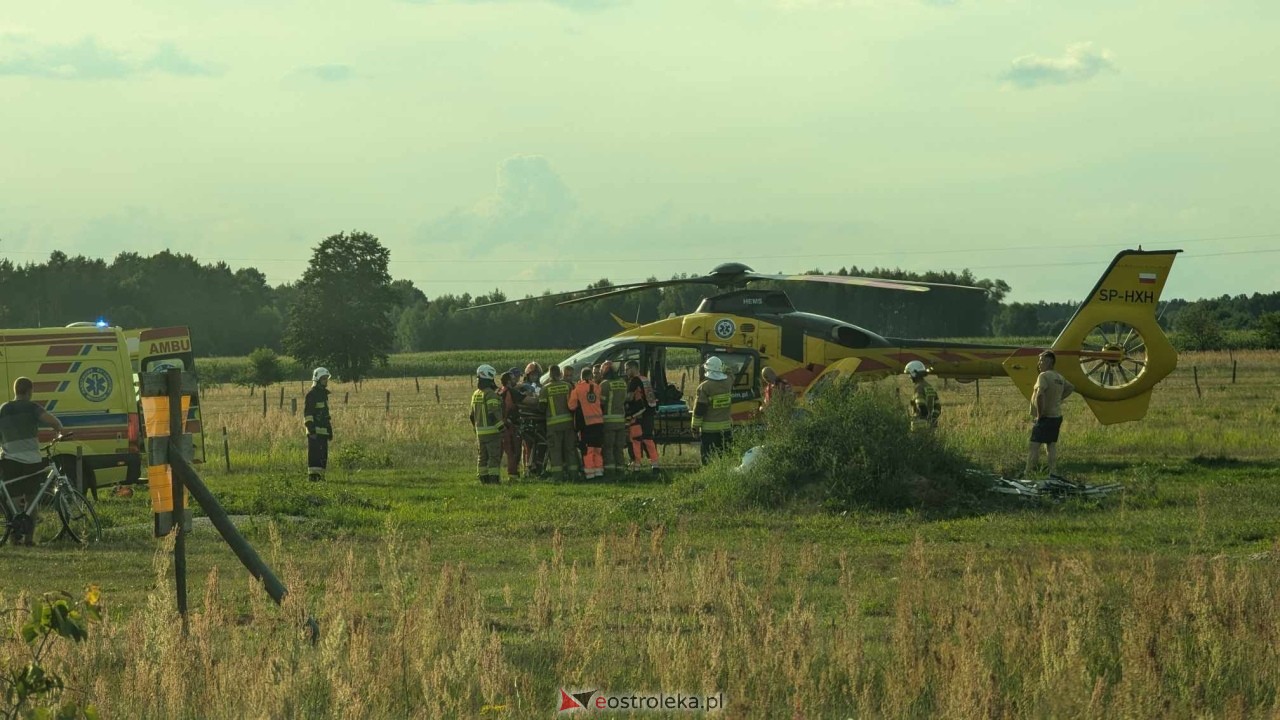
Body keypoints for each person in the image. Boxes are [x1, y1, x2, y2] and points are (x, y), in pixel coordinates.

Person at [0, 377, 66, 546]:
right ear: (30, 391)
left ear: (15, 391)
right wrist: (59, 432)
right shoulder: (33, 408)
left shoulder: (4, 409)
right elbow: (55, 422)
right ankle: (29, 539)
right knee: (32, 500)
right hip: (32, 461)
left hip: (10, 460)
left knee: (13, 500)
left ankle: (15, 538)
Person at [1025, 350, 1075, 479]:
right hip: (1056, 416)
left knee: (1034, 445)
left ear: (1049, 361)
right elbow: (1070, 387)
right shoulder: (1059, 377)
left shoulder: (1043, 376)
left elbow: (1040, 395)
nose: (1039, 363)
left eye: (1041, 360)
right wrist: (1058, 399)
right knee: (1051, 445)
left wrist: (1039, 416)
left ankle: (1028, 472)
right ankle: (1053, 472)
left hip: (1045, 416)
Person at [692, 356, 734, 465]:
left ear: (707, 370)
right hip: (726, 429)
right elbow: (730, 372)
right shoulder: (728, 382)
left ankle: (709, 478)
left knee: (708, 458)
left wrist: (695, 428)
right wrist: (723, 366)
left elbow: (699, 411)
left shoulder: (704, 387)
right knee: (726, 458)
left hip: (709, 431)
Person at [469, 364, 505, 484]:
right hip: (492, 432)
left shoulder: (476, 394)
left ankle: (483, 480)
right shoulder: (490, 394)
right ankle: (494, 480)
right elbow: (493, 412)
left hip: (480, 433)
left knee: (482, 457)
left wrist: (476, 428)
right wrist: (501, 427)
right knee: (494, 458)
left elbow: (471, 415)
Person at [541, 365, 577, 481]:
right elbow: (572, 404)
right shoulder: (567, 386)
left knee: (555, 451)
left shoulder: (545, 389)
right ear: (560, 374)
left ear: (550, 375)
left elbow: (541, 407)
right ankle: (574, 475)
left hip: (553, 425)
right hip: (568, 423)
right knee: (570, 449)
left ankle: (558, 477)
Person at [569, 367, 605, 479]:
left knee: (588, 449)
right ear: (591, 376)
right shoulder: (597, 387)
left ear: (581, 377)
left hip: (586, 424)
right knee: (598, 448)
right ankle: (599, 472)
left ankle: (590, 474)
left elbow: (571, 406)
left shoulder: (578, 389)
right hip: (599, 422)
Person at [624, 360, 659, 473]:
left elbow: (629, 398)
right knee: (648, 439)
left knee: (636, 440)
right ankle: (655, 464)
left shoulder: (634, 381)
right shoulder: (645, 379)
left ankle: (637, 466)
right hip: (649, 413)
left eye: (627, 369)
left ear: (633, 368)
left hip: (638, 415)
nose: (626, 372)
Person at [597, 361, 629, 477]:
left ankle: (610, 472)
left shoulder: (604, 384)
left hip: (608, 421)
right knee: (619, 448)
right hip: (621, 420)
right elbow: (624, 399)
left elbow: (601, 402)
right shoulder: (622, 383)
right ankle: (621, 471)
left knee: (608, 447)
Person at [303, 367, 333, 482]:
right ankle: (313, 477)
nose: (326, 381)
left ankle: (321, 476)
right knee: (314, 455)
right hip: (314, 431)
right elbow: (308, 413)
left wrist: (329, 430)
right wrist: (311, 430)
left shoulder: (323, 395)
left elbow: (325, 415)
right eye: (323, 378)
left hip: (323, 431)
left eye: (326, 378)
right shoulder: (312, 395)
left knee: (323, 455)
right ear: (317, 379)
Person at [519, 362, 546, 475]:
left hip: (539, 420)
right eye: (532, 375)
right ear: (528, 375)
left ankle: (538, 467)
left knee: (541, 444)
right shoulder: (521, 387)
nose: (534, 377)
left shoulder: (542, 387)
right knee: (527, 446)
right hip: (526, 420)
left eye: (536, 375)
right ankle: (527, 469)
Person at [497, 370, 524, 482]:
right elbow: (527, 401)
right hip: (511, 426)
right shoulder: (512, 391)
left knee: (503, 452)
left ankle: (497, 475)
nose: (516, 380)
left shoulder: (499, 391)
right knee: (514, 451)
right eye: (513, 379)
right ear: (508, 381)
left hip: (501, 426)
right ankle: (513, 476)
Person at [903, 361, 941, 429]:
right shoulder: (929, 387)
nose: (909, 377)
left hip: (919, 426)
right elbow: (938, 406)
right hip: (931, 427)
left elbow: (921, 404)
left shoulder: (918, 387)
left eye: (910, 374)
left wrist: (924, 418)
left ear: (914, 373)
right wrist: (932, 418)